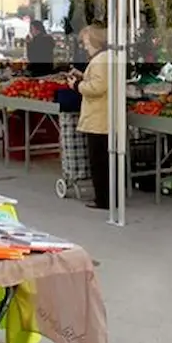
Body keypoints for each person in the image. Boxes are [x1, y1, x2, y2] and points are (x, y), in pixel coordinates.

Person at [67, 24, 110, 210]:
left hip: (98, 117)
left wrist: (77, 86)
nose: (84, 46)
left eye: (85, 41)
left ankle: (103, 199)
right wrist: (83, 76)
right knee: (104, 160)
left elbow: (98, 87)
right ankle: (107, 197)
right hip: (104, 116)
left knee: (98, 161)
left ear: (93, 40)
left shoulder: (100, 60)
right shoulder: (106, 58)